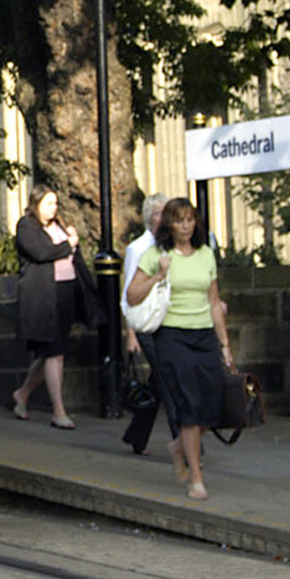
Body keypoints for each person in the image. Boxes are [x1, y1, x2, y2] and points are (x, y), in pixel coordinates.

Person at [125, 197, 232, 501]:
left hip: (203, 335)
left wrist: (225, 344)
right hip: (172, 336)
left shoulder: (206, 255)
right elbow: (132, 295)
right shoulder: (156, 255)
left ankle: (178, 446)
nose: (185, 226)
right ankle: (196, 478)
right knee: (189, 405)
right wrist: (158, 275)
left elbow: (214, 301)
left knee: (214, 403)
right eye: (179, 220)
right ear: (169, 225)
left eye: (190, 220)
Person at [11, 185, 80, 429]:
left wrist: (72, 241)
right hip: (44, 295)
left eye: (55, 203)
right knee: (54, 353)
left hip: (64, 291)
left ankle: (22, 394)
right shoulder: (26, 226)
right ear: (36, 204)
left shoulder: (58, 225)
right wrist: (69, 244)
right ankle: (58, 411)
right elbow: (41, 252)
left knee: (50, 352)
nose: (54, 208)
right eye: (48, 203)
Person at [121, 194, 177, 455]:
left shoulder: (171, 246)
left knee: (159, 381)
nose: (164, 217)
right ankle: (185, 443)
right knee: (169, 380)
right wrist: (131, 333)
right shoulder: (138, 249)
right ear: (149, 218)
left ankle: (137, 435)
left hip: (167, 321)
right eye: (158, 213)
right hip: (146, 324)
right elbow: (128, 294)